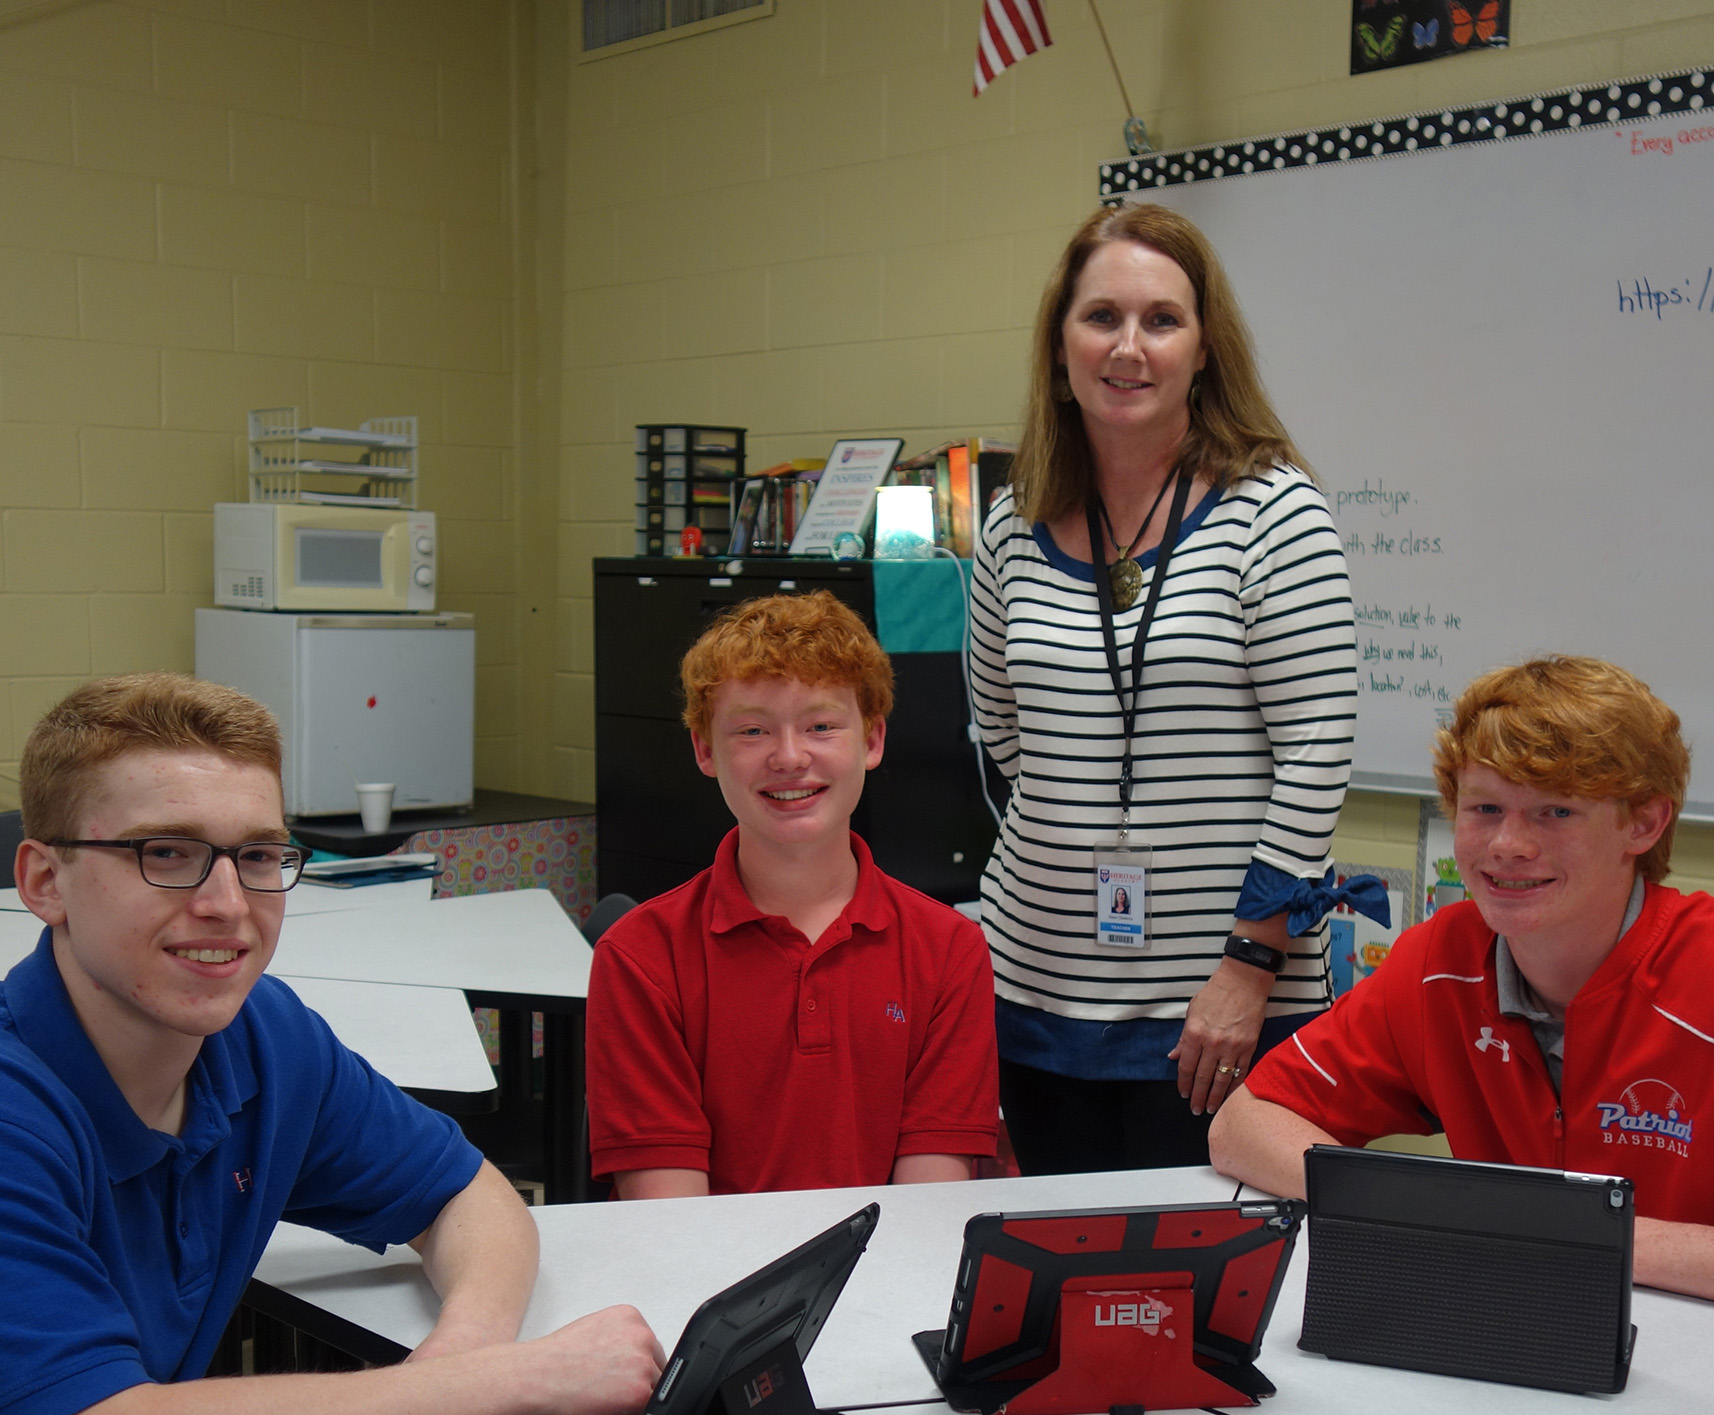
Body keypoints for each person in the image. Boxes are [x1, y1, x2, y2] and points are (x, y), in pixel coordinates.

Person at [0, 673, 665, 1415]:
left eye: (258, 855)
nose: (226, 903)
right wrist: (499, 1387)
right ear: (43, 878)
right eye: (163, 853)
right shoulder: (13, 1111)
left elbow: (470, 1197)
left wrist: (463, 1357)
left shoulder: (261, 1039)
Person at [970, 201, 1358, 1175]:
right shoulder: (1013, 524)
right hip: (1037, 983)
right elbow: (1005, 734)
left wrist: (1248, 965)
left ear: (1202, 347)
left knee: (1208, 1295)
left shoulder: (1272, 511)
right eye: (1101, 317)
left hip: (1220, 1001)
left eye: (1161, 319)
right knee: (1060, 1280)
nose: (1128, 347)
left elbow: (1316, 751)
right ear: (1060, 344)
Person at [1211, 656, 1714, 1302]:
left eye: (1555, 812)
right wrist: (1433, 1210)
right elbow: (1243, 1126)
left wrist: (1564, 1232)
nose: (1507, 844)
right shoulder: (1441, 960)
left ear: (1643, 823)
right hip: (1509, 1325)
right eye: (1484, 808)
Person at [586, 590, 999, 1197]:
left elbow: (928, 1206)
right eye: (752, 730)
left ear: (873, 740)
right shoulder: (640, 959)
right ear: (705, 750)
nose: (789, 756)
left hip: (894, 1280)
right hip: (714, 1285)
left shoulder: (950, 952)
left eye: (821, 725)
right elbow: (670, 1225)